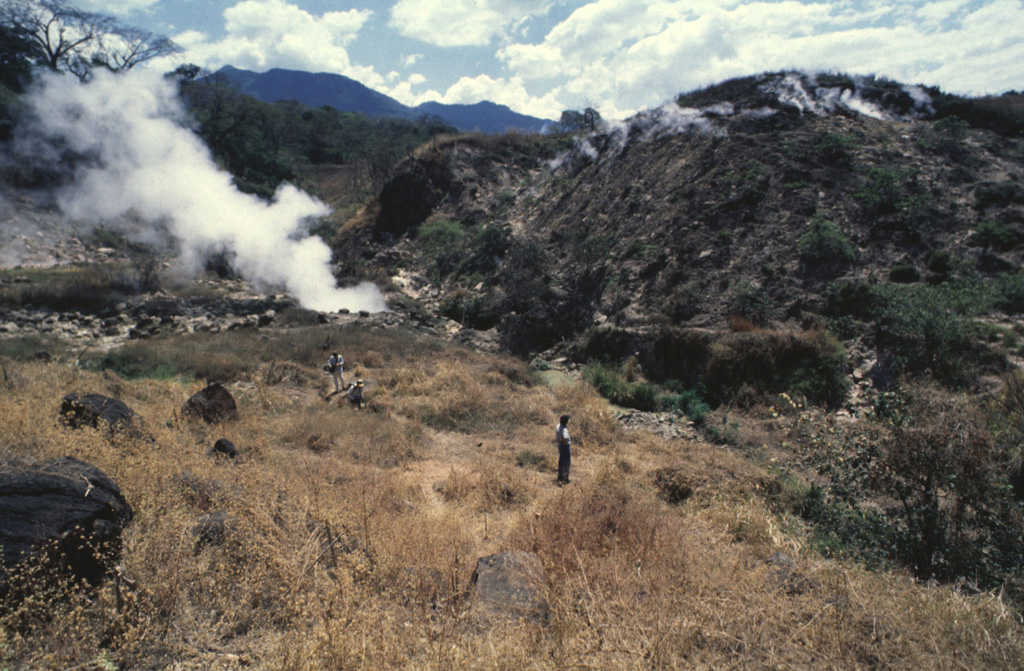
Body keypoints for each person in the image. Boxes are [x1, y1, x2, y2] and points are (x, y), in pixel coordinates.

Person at [555, 414, 571, 484]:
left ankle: (560, 475)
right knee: (566, 462)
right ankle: (565, 478)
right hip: (565, 446)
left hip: (559, 445)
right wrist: (564, 443)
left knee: (561, 461)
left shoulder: (558, 426)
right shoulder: (564, 429)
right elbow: (566, 438)